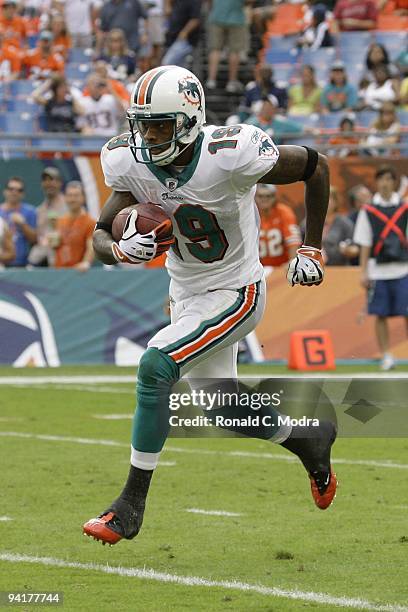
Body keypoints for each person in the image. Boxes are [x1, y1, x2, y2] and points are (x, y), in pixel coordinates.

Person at [82, 65, 337, 546]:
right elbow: (100, 231)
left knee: (156, 365)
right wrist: (116, 250)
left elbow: (316, 166)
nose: (147, 135)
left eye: (160, 124)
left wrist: (312, 246)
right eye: (142, 124)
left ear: (189, 119)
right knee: (223, 406)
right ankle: (310, 441)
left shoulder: (230, 153)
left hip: (237, 290)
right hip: (187, 294)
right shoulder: (128, 161)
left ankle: (129, 505)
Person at [353, 165, 408, 370]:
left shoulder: (404, 207)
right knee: (380, 314)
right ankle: (386, 355)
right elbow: (365, 243)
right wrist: (363, 272)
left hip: (404, 268)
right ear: (377, 182)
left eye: (389, 179)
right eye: (381, 179)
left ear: (394, 182)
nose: (385, 183)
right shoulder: (368, 210)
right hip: (378, 270)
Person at [28, 166, 68, 267]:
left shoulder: (69, 205)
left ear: (60, 183)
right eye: (45, 180)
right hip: (40, 259)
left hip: (64, 257)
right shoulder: (39, 210)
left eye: (52, 180)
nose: (49, 183)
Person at [52, 181, 95, 271]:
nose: (72, 199)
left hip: (78, 273)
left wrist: (85, 263)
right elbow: (55, 246)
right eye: (69, 195)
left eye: (76, 196)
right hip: (59, 272)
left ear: (83, 198)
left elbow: (91, 247)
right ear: (65, 198)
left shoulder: (90, 222)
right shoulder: (60, 221)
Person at [206, 0, 248, 93]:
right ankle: (232, 82)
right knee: (234, 51)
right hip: (236, 18)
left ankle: (211, 80)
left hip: (216, 16)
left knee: (215, 49)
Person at [255, 184, 301, 267]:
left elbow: (293, 241)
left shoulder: (284, 212)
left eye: (268, 196)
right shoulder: (252, 214)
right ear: (255, 197)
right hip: (259, 268)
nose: (264, 199)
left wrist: (291, 263)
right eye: (260, 196)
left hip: (282, 266)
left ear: (275, 197)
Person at [0, 176, 37, 267]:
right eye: (11, 189)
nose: (14, 192)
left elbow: (34, 240)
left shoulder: (30, 211)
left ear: (23, 194)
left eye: (19, 190)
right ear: (4, 191)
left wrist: (22, 224)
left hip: (23, 264)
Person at [161, 0, 201, 69]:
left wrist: (184, 32)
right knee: (178, 68)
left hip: (185, 40)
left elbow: (195, 19)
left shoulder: (194, 1)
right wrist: (167, 3)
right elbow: (167, 12)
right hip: (172, 38)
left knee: (166, 65)